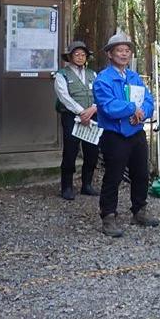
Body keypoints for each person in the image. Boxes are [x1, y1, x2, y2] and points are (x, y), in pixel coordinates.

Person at [93, 31, 160, 237]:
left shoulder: (134, 77)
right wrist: (133, 109)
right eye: (119, 51)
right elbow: (108, 106)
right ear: (110, 54)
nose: (124, 54)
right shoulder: (103, 79)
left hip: (136, 132)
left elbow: (148, 100)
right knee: (113, 176)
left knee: (141, 173)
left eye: (127, 50)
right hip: (114, 135)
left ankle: (139, 210)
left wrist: (143, 113)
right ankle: (108, 216)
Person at [53, 40, 99, 200]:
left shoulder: (93, 74)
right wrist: (81, 112)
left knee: (92, 151)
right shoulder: (62, 74)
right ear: (70, 57)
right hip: (71, 116)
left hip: (93, 115)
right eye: (76, 54)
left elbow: (100, 94)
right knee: (71, 151)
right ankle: (66, 186)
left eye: (83, 54)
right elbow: (64, 97)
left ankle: (87, 184)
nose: (80, 57)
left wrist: (92, 109)